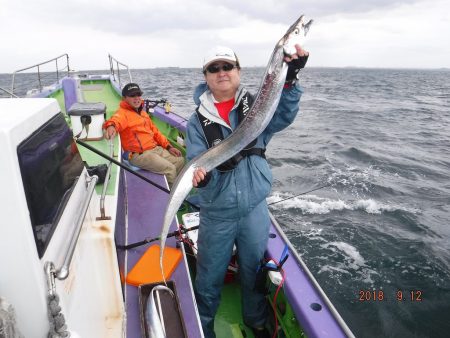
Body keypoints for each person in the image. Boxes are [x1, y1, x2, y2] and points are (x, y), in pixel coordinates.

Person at [185, 45, 309, 338]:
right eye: (214, 68)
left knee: (253, 272)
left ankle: (256, 321)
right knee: (209, 276)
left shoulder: (257, 106)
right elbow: (196, 162)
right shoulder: (195, 122)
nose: (222, 73)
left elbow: (284, 116)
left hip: (255, 207)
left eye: (227, 66)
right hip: (217, 212)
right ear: (206, 76)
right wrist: (202, 180)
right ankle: (203, 327)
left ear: (238, 71)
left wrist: (290, 80)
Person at [103, 83, 184, 187]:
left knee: (180, 161)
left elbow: (156, 132)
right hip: (139, 154)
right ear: (124, 98)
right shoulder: (122, 113)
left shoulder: (143, 113)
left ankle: (173, 186)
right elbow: (116, 120)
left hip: (155, 149)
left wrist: (168, 147)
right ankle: (171, 198)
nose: (136, 98)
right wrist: (111, 126)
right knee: (170, 169)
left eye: (138, 95)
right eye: (132, 96)